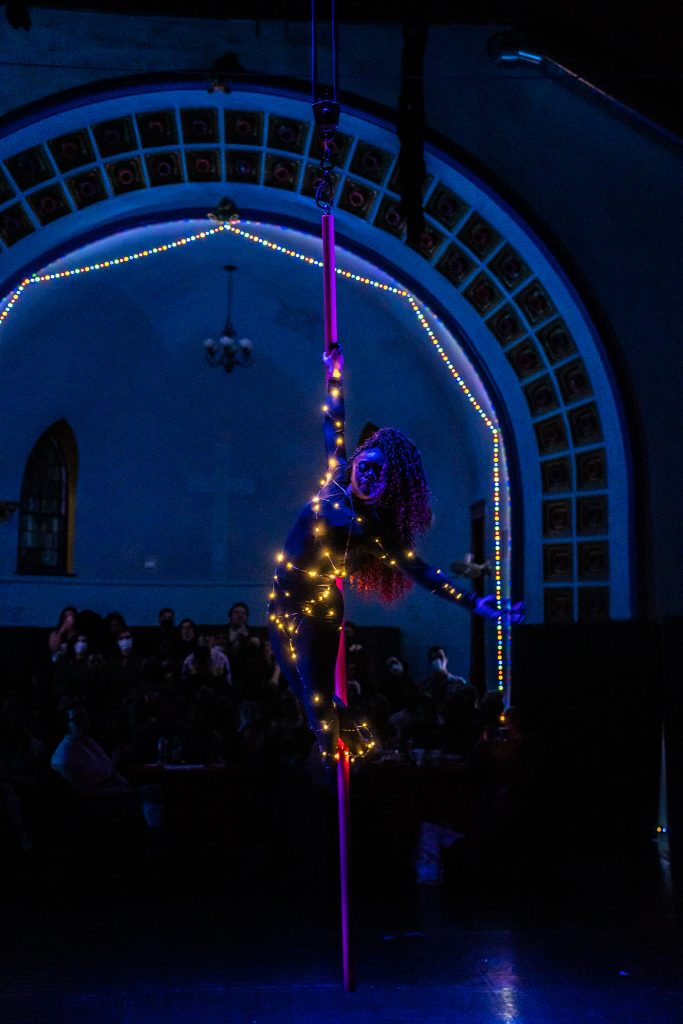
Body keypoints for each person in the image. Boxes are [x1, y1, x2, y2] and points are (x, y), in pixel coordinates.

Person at [268, 343, 523, 764]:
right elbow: (333, 421)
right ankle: (365, 748)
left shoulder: (375, 532)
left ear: (389, 487)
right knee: (299, 692)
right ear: (356, 461)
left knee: (317, 706)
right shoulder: (334, 477)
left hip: (317, 608)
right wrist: (334, 373)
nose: (369, 475)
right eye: (367, 464)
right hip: (281, 600)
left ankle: (358, 755)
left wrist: (478, 603)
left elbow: (425, 574)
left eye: (380, 475)